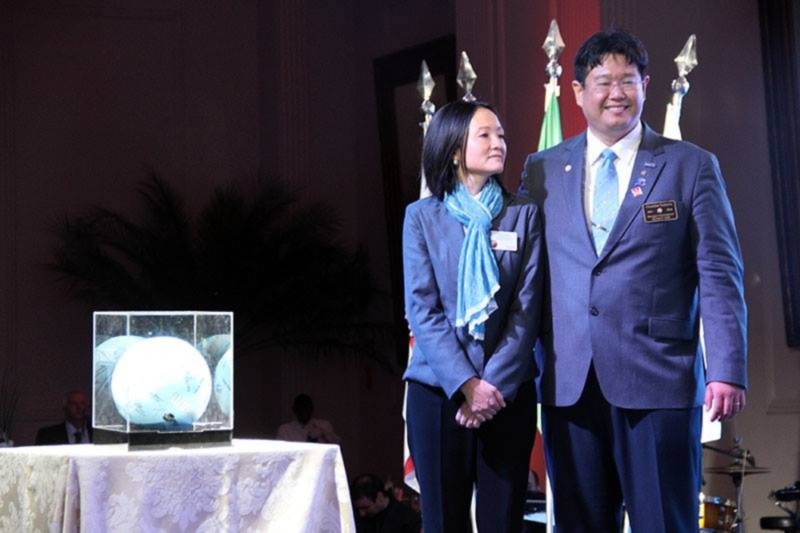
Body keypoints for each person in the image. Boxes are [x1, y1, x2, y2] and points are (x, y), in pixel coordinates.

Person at [520, 29, 747, 532]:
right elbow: (524, 276)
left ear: (646, 85)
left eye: (628, 80)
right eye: (603, 82)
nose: (616, 93)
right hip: (569, 382)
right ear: (577, 92)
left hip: (659, 380)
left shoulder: (689, 166)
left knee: (664, 522)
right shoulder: (542, 171)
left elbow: (719, 271)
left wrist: (726, 368)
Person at [403, 100, 543, 532]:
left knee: (504, 523)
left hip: (506, 394)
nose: (499, 142)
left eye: (501, 134)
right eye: (485, 135)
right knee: (443, 523)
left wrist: (489, 388)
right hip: (439, 392)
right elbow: (423, 310)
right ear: (453, 150)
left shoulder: (523, 214)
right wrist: (466, 384)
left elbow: (526, 308)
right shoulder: (421, 217)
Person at [350, 473, 421, 533]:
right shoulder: (359, 518)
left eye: (366, 507)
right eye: (359, 509)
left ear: (379, 497)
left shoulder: (407, 520)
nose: (362, 513)